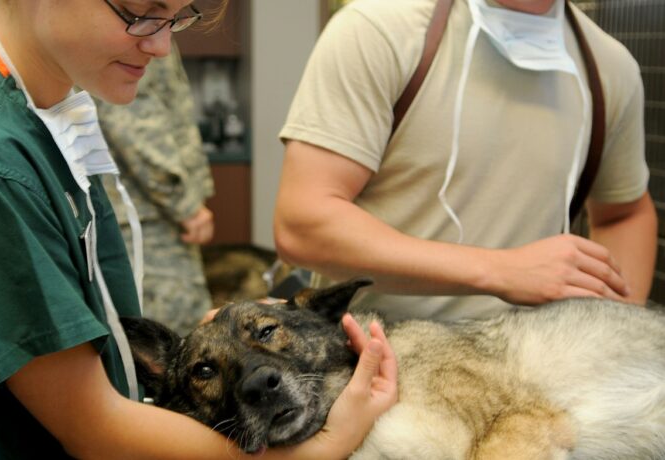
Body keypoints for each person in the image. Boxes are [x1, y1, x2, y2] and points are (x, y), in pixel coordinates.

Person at [0, 1, 397, 458]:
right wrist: (324, 447)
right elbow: (94, 429)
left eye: (177, 19)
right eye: (141, 14)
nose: (161, 46)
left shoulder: (41, 113)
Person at [275, 0, 657, 323]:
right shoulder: (381, 30)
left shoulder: (610, 68)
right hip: (373, 367)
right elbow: (303, 223)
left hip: (531, 372)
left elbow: (624, 213)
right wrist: (501, 270)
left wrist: (617, 330)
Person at [95, 44, 215, 337]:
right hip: (146, 217)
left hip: (142, 211)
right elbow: (133, 119)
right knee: (174, 343)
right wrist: (184, 204)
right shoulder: (136, 24)